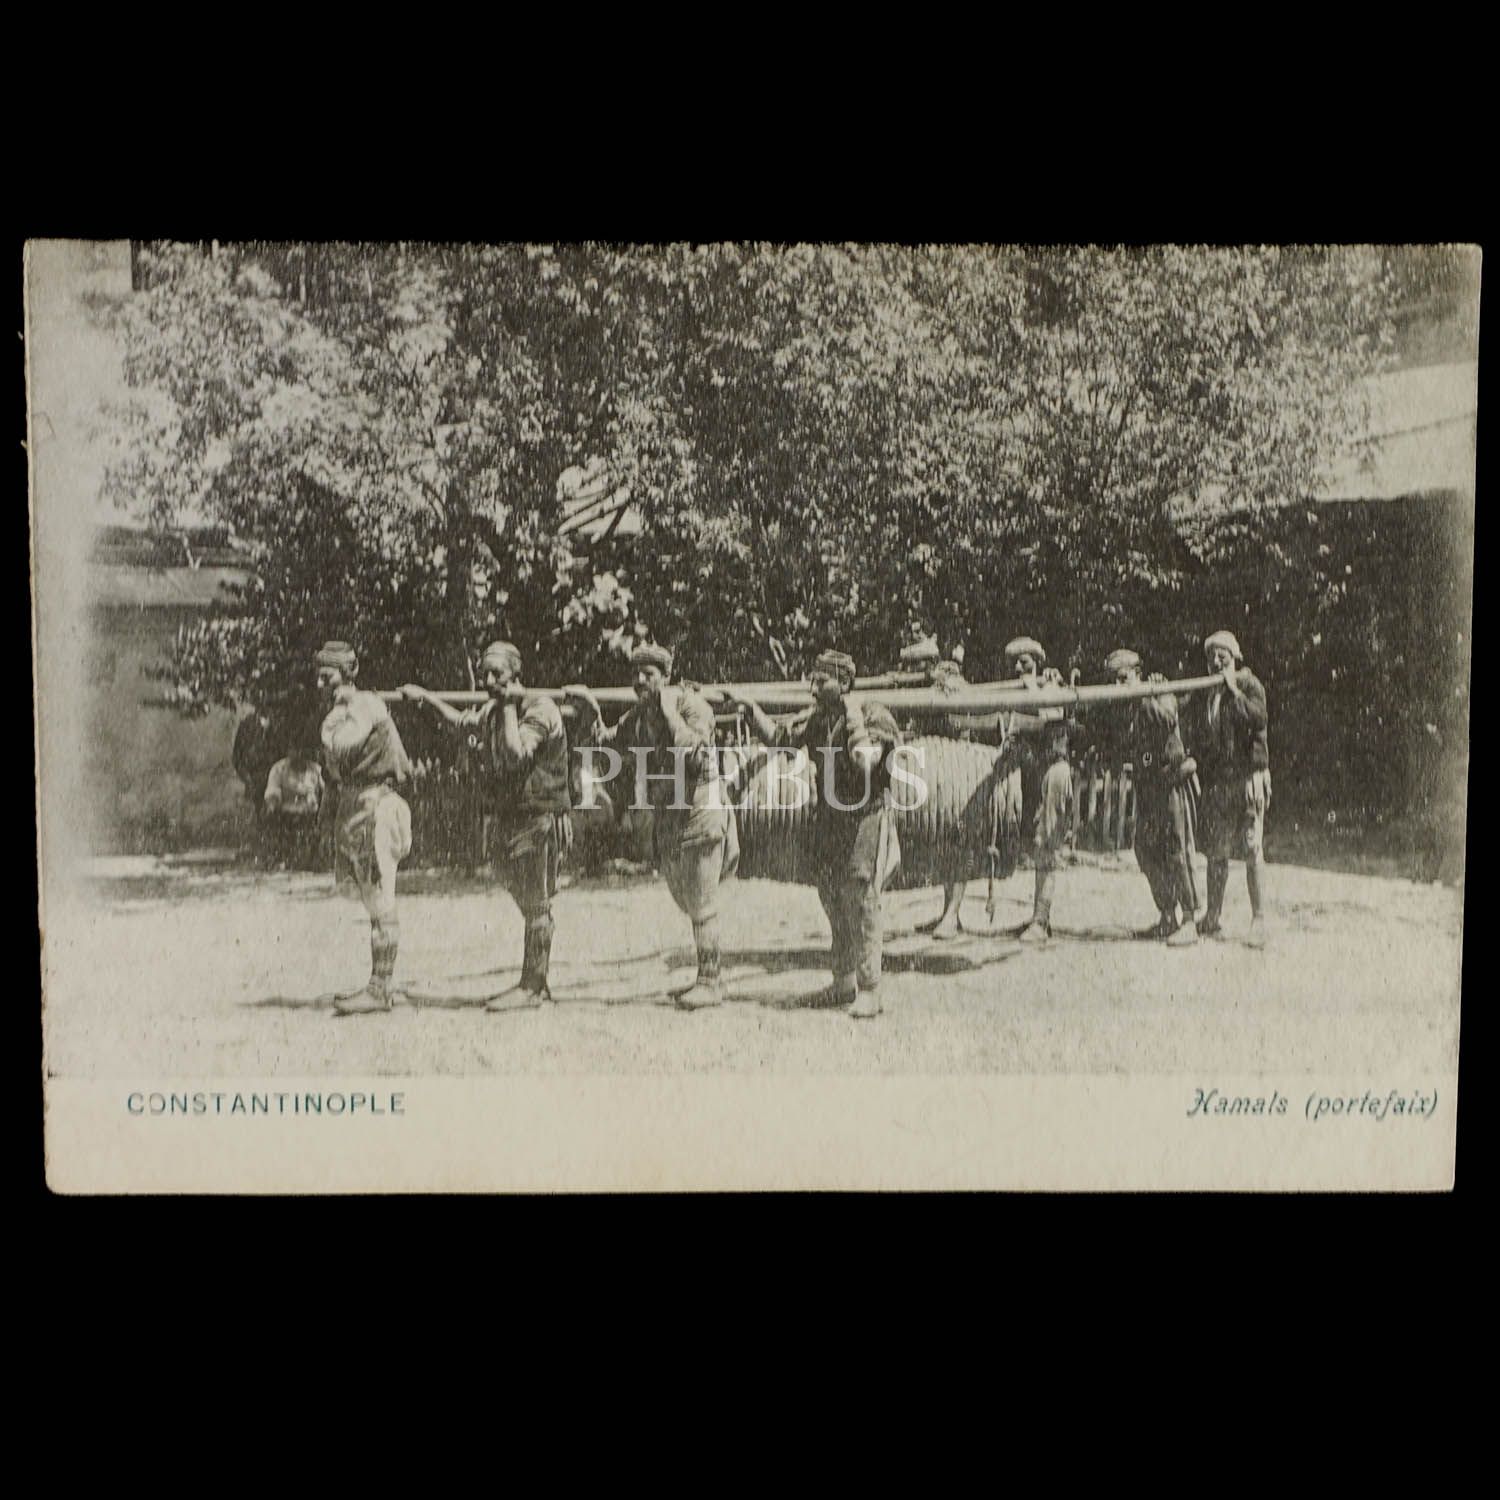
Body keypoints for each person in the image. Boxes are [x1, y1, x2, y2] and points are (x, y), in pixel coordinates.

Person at [566, 644, 739, 1010]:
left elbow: (696, 755)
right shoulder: (638, 717)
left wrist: (668, 710)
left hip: (701, 811)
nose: (640, 680)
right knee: (687, 899)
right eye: (636, 674)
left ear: (666, 676)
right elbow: (607, 743)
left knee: (702, 902)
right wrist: (591, 711)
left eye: (649, 674)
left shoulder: (691, 706)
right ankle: (706, 976)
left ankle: (711, 982)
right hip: (670, 818)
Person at [403, 640, 573, 1010]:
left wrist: (509, 705)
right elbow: (461, 724)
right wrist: (426, 699)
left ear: (516, 674)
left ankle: (533, 986)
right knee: (528, 899)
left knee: (537, 904)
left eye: (498, 673)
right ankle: (535, 979)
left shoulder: (540, 709)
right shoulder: (494, 709)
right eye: (485, 674)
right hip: (512, 815)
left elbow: (515, 755)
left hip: (539, 815)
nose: (489, 680)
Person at [733, 650, 901, 1019]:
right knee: (831, 896)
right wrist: (751, 709)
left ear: (844, 683)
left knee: (861, 900)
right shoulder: (818, 719)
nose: (813, 687)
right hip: (829, 820)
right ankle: (843, 981)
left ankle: (870, 988)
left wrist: (853, 716)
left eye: (821, 680)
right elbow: (781, 740)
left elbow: (867, 761)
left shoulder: (873, 715)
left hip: (865, 819)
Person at [315, 641, 413, 1015]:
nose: (321, 684)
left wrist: (335, 715)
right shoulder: (349, 708)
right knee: (371, 897)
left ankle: (380, 988)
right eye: (319, 676)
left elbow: (341, 744)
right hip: (359, 806)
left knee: (379, 897)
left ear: (347, 673)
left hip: (376, 806)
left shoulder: (363, 705)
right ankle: (379, 984)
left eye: (328, 676)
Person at [1103, 649, 1200, 945]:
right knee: (1146, 850)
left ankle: (1190, 920)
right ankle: (1167, 915)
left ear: (1138, 674)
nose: (1119, 685)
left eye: (1123, 678)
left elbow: (1167, 721)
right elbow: (1132, 748)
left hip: (1171, 783)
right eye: (1114, 680)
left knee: (1176, 850)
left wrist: (1143, 697)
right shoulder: (1122, 708)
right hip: (1149, 786)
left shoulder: (1159, 691)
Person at [1189, 630, 1270, 947]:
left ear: (1234, 657)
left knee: (1251, 847)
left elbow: (1258, 719)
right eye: (1211, 658)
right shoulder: (1207, 693)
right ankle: (1212, 916)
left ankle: (1259, 919)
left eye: (1222, 656)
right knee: (1216, 850)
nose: (1216, 662)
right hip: (1219, 783)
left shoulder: (1249, 685)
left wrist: (1233, 689)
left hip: (1247, 778)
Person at [1003, 637, 1076, 943]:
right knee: (1034, 846)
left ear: (1038, 663)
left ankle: (1041, 921)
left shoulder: (1051, 686)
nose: (1019, 668)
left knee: (1047, 845)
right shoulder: (1012, 693)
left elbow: (1051, 716)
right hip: (1031, 775)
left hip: (1053, 773)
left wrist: (1037, 687)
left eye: (1025, 662)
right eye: (1015, 663)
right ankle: (1037, 915)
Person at [262, 748, 325, 869]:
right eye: (294, 751)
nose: (298, 754)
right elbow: (272, 790)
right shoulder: (279, 768)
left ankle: (313, 858)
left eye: (301, 751)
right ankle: (279, 857)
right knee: (272, 820)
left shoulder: (315, 769)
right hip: (286, 813)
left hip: (310, 813)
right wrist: (272, 805)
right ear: (289, 752)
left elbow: (326, 790)